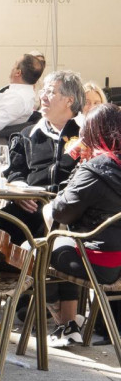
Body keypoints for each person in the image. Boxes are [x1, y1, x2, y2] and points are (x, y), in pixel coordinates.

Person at [1, 70, 86, 344]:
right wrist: (18, 192)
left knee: (62, 234)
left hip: (66, 212)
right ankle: (61, 317)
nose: (43, 96)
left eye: (51, 91)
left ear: (70, 100)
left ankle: (61, 317)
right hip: (29, 210)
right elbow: (13, 172)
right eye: (44, 90)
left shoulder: (84, 134)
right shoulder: (28, 134)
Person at [47, 103, 121, 346]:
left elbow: (61, 211)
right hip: (117, 263)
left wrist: (80, 166)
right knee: (63, 242)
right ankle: (69, 324)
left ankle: (62, 322)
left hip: (99, 264)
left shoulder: (96, 169)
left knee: (37, 249)